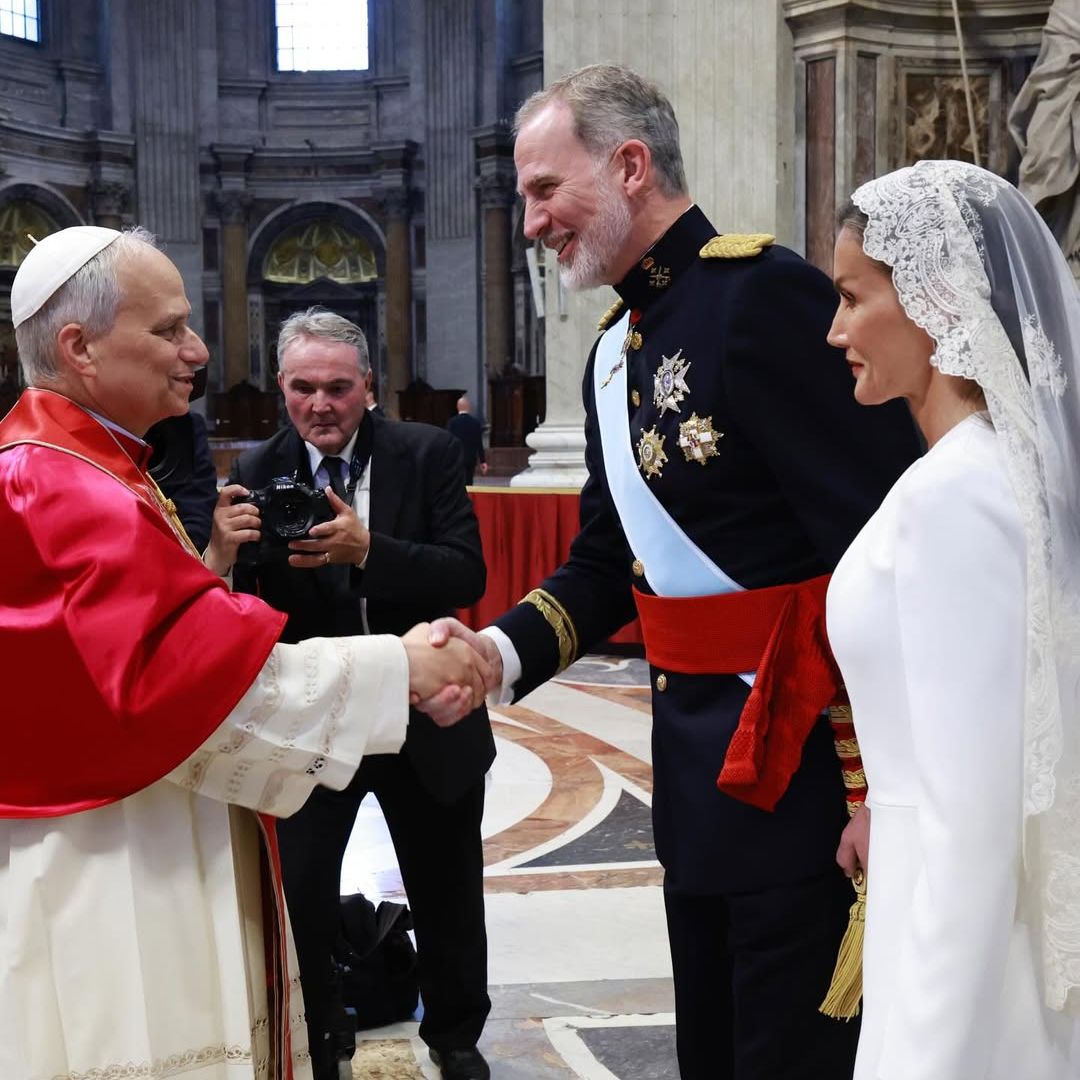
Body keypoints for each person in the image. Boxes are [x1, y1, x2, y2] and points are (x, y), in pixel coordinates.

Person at [429, 64, 921, 1079]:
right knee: (714, 1047)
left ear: (629, 165)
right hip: (700, 785)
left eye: (543, 190)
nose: (531, 223)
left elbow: (881, 546)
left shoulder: (764, 297)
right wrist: (494, 654)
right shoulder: (612, 352)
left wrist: (889, 786)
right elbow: (607, 564)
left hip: (807, 774)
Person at [0, 226, 489, 1080]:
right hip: (110, 860)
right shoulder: (60, 484)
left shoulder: (100, 467)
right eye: (168, 329)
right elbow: (186, 682)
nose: (196, 351)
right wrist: (403, 666)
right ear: (78, 347)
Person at [825, 159, 1080, 1078]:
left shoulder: (958, 494)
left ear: (934, 299)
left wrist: (926, 1049)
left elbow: (973, 811)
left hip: (959, 942)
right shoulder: (985, 472)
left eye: (854, 298)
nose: (835, 330)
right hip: (936, 910)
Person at [225, 308, 495, 1080]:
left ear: (368, 387)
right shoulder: (256, 468)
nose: (321, 405)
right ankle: (321, 1036)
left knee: (448, 890)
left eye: (338, 388)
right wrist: (225, 550)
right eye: (304, 388)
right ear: (281, 388)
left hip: (427, 720)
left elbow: (466, 573)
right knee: (301, 893)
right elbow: (245, 611)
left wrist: (369, 549)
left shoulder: (427, 452)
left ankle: (455, 1035)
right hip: (317, 723)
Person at [446, 395, 487, 484]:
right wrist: (483, 461)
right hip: (470, 459)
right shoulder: (475, 423)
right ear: (469, 408)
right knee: (469, 483)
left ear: (457, 407)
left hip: (456, 459)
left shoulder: (452, 422)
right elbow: (479, 444)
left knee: (457, 483)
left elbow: (448, 442)